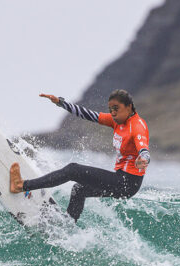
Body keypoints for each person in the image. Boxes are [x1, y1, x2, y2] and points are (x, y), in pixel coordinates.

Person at [9, 89, 151, 222]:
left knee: (73, 170)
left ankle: (21, 185)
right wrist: (61, 103)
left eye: (116, 109)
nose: (113, 113)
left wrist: (143, 159)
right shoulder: (118, 122)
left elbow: (143, 148)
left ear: (129, 107)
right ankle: (68, 226)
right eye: (110, 109)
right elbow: (88, 114)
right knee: (79, 189)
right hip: (122, 180)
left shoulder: (137, 126)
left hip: (127, 183)